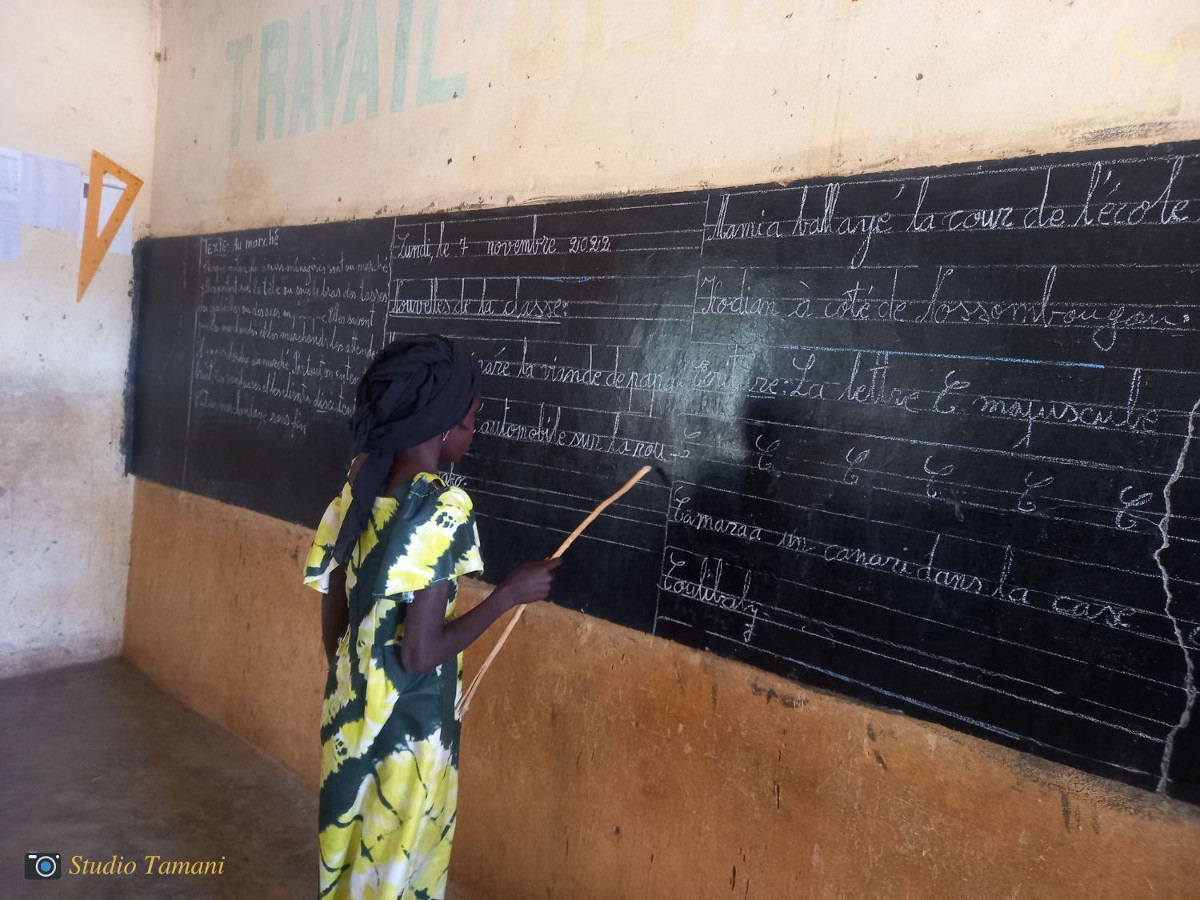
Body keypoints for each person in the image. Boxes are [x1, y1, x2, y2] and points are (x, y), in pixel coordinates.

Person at [302, 334, 560, 899]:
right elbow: (420, 654)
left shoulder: (361, 482)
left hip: (349, 709)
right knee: (398, 864)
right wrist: (508, 595)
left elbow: (332, 590)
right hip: (410, 728)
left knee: (350, 853)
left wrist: (354, 677)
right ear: (442, 426)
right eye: (471, 419)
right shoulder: (442, 505)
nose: (472, 432)